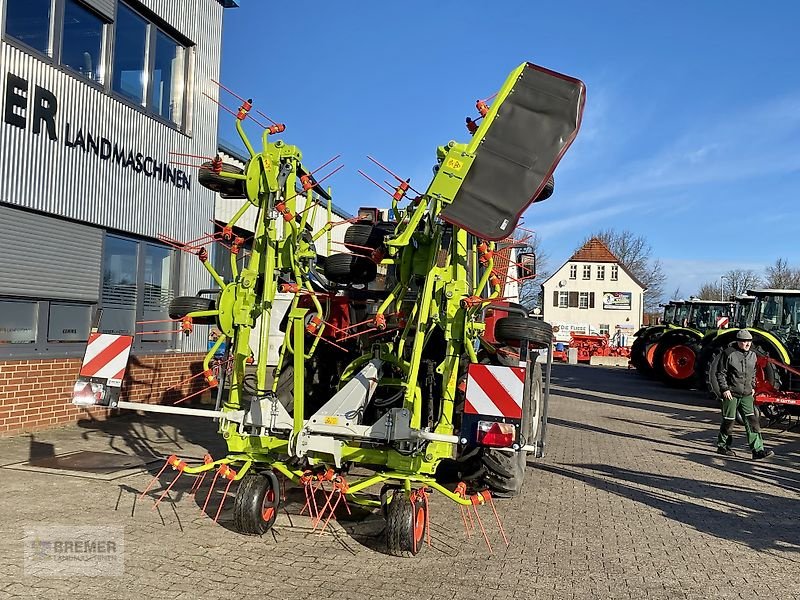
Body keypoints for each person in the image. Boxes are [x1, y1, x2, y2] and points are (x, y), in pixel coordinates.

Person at [715, 329, 774, 459]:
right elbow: (720, 373)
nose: (747, 344)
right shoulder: (729, 353)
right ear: (738, 341)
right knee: (729, 421)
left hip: (747, 394)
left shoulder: (752, 354)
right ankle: (723, 446)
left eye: (749, 341)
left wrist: (752, 386)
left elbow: (753, 371)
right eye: (744, 341)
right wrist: (725, 389)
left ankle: (757, 450)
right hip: (731, 394)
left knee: (753, 421)